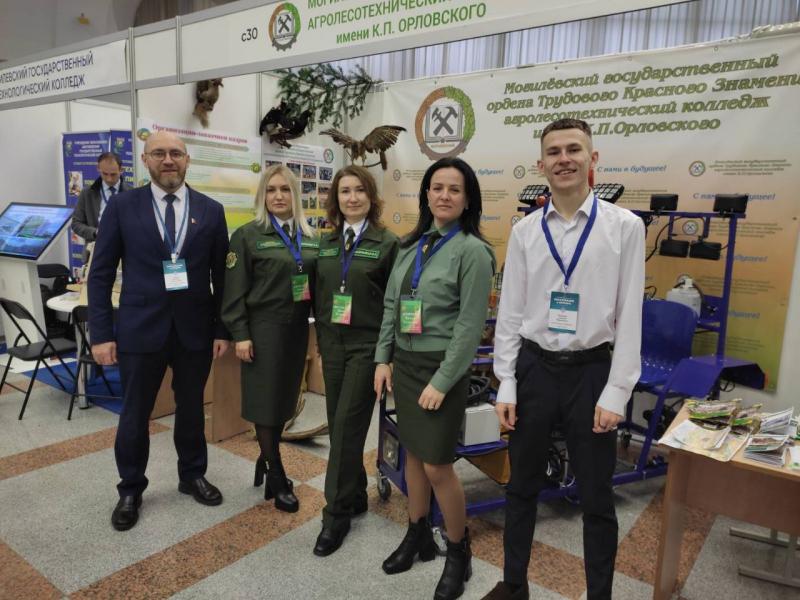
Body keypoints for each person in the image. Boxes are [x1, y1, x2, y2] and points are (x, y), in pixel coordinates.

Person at [482, 118, 645, 600]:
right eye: (554, 152)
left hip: (591, 373)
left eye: (574, 149)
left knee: (596, 496)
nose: (564, 159)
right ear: (541, 164)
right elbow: (511, 313)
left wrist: (618, 391)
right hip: (535, 370)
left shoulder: (624, 227)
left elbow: (630, 316)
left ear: (593, 159)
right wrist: (506, 382)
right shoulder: (526, 231)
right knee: (521, 487)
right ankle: (514, 586)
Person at [88, 131, 231, 532]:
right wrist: (101, 334)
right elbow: (100, 275)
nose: (168, 160)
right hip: (139, 330)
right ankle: (130, 489)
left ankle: (193, 475)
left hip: (194, 331)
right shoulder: (122, 207)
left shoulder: (211, 211)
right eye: (159, 153)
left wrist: (222, 329)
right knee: (135, 413)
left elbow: (222, 278)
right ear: (146, 160)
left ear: (187, 160)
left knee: (192, 409)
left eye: (176, 153)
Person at [374, 157, 495, 600]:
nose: (444, 195)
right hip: (405, 366)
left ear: (468, 200)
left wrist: (443, 381)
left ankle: (459, 552)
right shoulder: (412, 246)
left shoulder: (473, 252)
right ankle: (418, 533)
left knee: (437, 465)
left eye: (454, 189)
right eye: (437, 187)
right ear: (426, 194)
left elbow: (469, 327)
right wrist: (383, 359)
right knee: (411, 454)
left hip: (442, 368)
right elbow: (392, 306)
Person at [312, 165, 399, 557]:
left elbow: (396, 303)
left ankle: (335, 515)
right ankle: (356, 494)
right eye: (345, 191)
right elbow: (319, 295)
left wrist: (387, 357)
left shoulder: (387, 243)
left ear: (371, 197)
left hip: (368, 345)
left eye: (359, 190)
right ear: (336, 198)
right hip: (332, 344)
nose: (352, 198)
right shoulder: (326, 242)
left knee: (347, 427)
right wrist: (318, 345)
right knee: (339, 426)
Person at [221, 164, 317, 513]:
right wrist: (240, 335)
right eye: (271, 190)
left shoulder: (310, 236)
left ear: (296, 195)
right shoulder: (247, 236)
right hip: (262, 331)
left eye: (285, 189)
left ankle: (266, 458)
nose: (278, 196)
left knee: (284, 402)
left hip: (296, 330)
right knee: (265, 403)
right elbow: (233, 292)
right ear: (263, 196)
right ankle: (277, 476)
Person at [71, 152, 129, 260]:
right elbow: (76, 223)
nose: (109, 179)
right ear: (98, 168)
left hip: (125, 254)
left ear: (121, 170)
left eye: (113, 174)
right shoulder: (87, 193)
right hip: (95, 253)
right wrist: (95, 232)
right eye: (105, 174)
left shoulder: (132, 193)